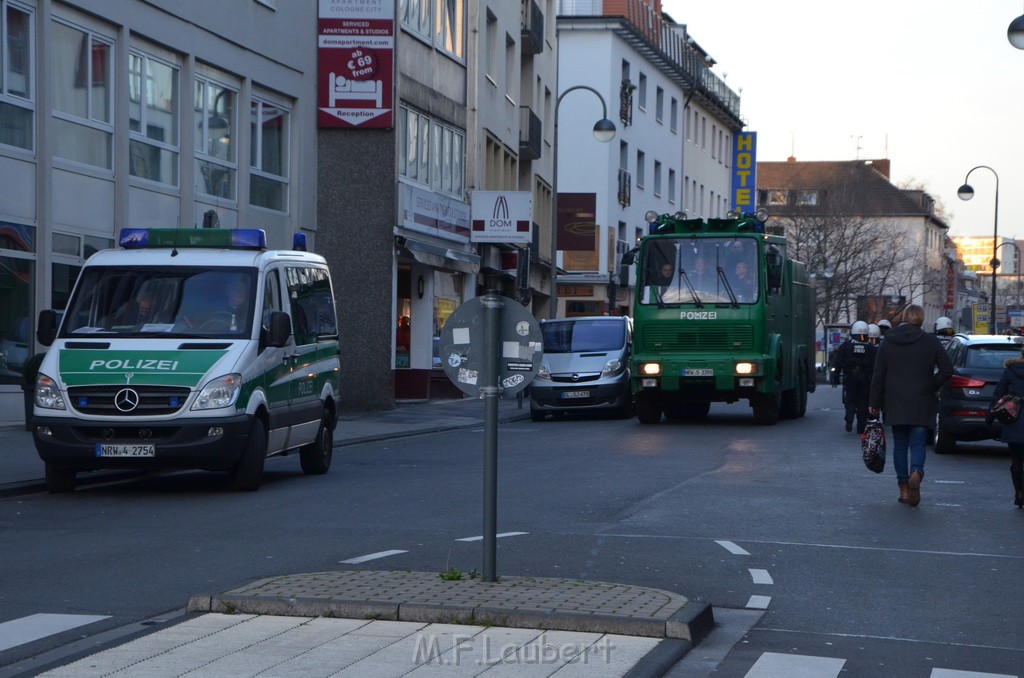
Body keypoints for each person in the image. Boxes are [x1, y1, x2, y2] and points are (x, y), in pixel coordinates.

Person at [868, 304, 953, 507]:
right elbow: (947, 369)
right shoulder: (931, 342)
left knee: (900, 445)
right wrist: (931, 384)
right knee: (917, 442)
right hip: (922, 400)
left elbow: (878, 375)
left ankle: (904, 488)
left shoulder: (888, 342)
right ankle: (917, 472)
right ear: (921, 319)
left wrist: (874, 403)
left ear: (905, 318)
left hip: (895, 400)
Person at [986, 345, 1024, 508]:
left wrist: (990, 416)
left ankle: (1019, 492)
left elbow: (998, 394)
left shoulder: (1011, 371)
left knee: (1016, 460)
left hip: (1014, 420)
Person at [831, 321, 876, 433]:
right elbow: (874, 364)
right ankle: (861, 426)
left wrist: (836, 376)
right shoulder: (870, 348)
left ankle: (849, 416)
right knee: (863, 400)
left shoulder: (846, 345)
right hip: (865, 377)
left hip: (850, 375)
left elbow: (839, 362)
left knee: (850, 397)